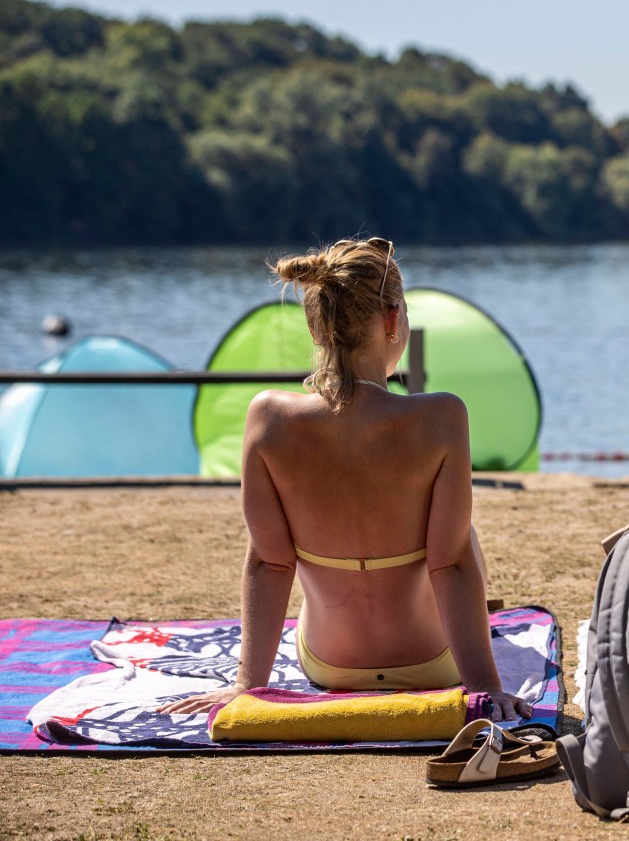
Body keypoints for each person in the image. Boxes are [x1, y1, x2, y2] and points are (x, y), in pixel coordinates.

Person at [159, 238, 529, 721]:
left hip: (330, 666)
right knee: (459, 538)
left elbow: (269, 564)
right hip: (434, 665)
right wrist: (484, 688)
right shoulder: (441, 416)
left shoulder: (269, 418)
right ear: (394, 320)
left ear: (316, 327)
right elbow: (452, 566)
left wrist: (248, 686)